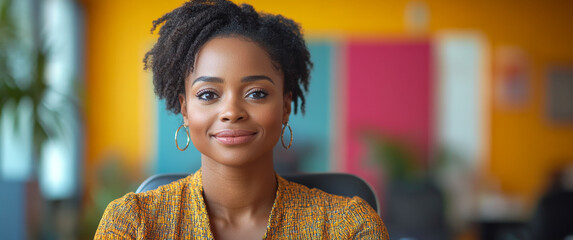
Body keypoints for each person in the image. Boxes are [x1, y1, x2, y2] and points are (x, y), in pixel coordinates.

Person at [95, 0, 389, 239]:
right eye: (209, 95)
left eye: (257, 93)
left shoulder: (348, 227)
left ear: (285, 106)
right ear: (185, 110)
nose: (231, 111)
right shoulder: (133, 224)